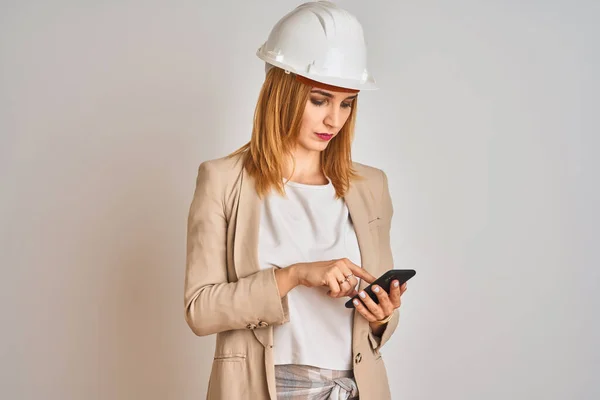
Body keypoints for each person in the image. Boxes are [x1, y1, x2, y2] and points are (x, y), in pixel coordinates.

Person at [184, 1, 408, 399]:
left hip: (355, 389)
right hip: (264, 388)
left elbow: (376, 328)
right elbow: (200, 310)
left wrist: (381, 317)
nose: (333, 120)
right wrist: (294, 275)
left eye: (346, 103)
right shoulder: (222, 180)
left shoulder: (371, 186)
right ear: (281, 93)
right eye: (319, 100)